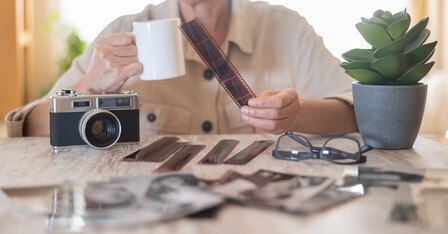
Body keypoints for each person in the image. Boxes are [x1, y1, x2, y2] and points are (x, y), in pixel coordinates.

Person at [5, 0, 357, 137]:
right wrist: (89, 87)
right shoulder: (121, 34)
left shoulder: (287, 28)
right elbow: (28, 130)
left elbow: (357, 114)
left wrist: (298, 115)